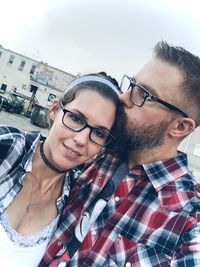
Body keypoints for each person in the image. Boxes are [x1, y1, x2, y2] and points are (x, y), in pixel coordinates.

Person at [40, 41, 200, 267]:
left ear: (180, 127)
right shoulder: (91, 153)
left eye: (142, 94)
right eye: (132, 84)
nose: (124, 98)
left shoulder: (190, 220)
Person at [0, 72, 122, 267]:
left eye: (99, 133)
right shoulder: (7, 147)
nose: (81, 139)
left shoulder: (75, 203)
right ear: (55, 110)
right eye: (75, 118)